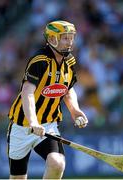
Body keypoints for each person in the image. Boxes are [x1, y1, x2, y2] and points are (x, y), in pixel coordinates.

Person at [7, 20, 88, 179]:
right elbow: (27, 92)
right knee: (18, 178)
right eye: (65, 38)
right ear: (52, 39)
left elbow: (67, 89)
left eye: (71, 37)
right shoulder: (40, 61)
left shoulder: (69, 61)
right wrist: (33, 122)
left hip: (48, 126)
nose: (70, 42)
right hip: (22, 126)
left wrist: (75, 110)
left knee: (57, 163)